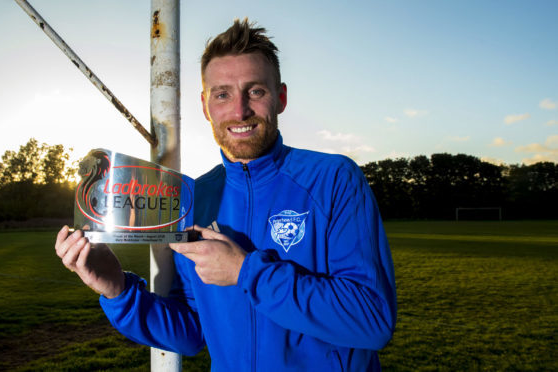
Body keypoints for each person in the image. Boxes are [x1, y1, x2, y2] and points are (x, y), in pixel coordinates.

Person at [55, 18, 397, 371]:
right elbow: (191, 331)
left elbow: (372, 320)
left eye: (255, 91)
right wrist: (117, 289)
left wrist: (245, 271)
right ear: (205, 106)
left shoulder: (333, 178)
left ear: (280, 98)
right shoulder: (194, 196)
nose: (239, 111)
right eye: (223, 95)